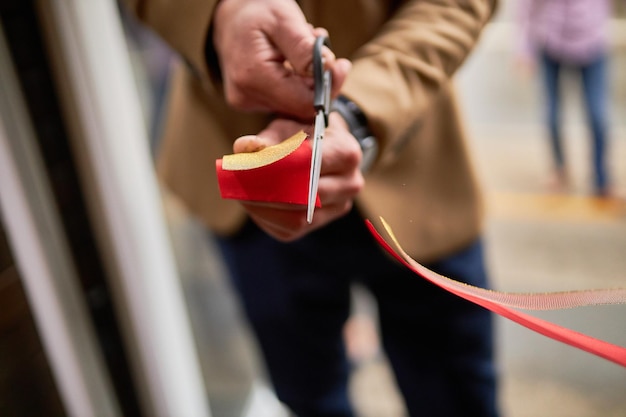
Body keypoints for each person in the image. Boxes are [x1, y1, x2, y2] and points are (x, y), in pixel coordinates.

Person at [122, 0, 500, 416]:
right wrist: (217, 16)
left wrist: (359, 110)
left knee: (458, 397)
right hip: (248, 185)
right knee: (309, 398)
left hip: (416, 166)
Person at [515, 0, 615, 197]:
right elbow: (527, 7)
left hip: (593, 42)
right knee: (552, 116)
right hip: (551, 41)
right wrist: (524, 49)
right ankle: (560, 170)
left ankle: (602, 179)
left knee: (598, 116)